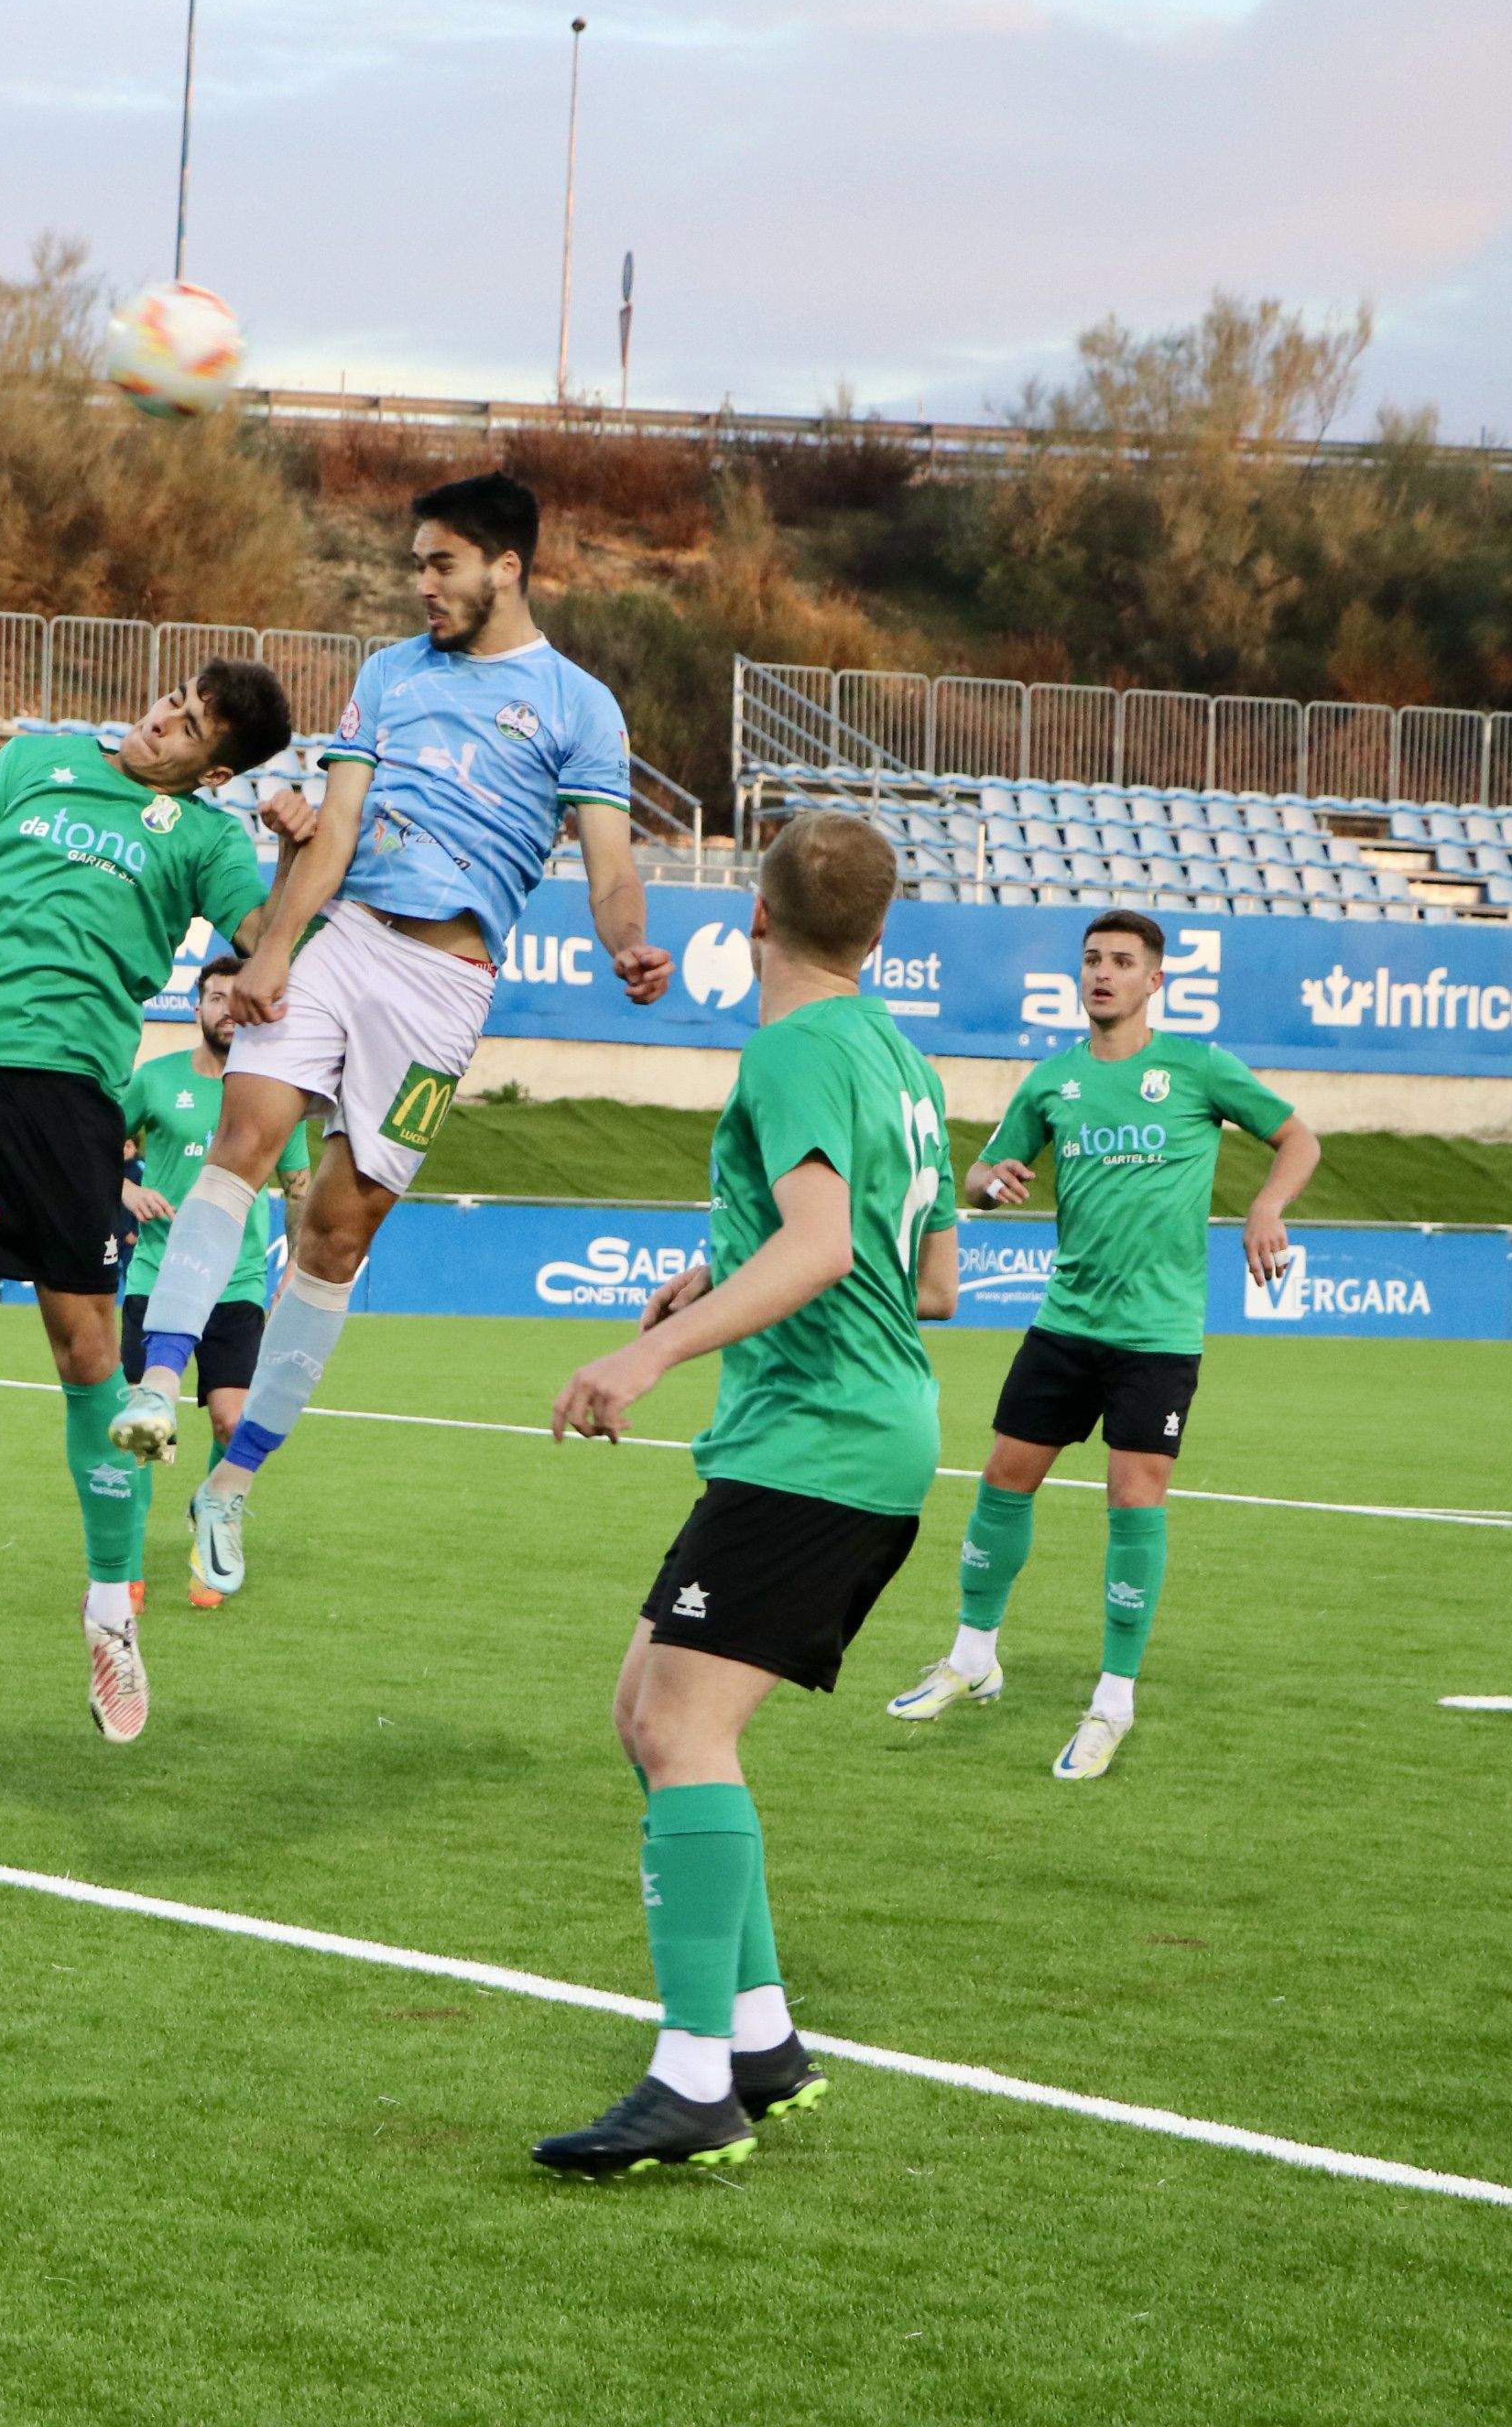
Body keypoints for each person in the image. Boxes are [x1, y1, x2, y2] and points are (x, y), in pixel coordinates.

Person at [113, 473, 673, 1564]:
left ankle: (231, 1486)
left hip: (445, 987)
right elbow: (337, 829)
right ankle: (156, 1382)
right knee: (242, 1142)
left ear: (507, 568)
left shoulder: (579, 705)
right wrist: (269, 954)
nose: (422, 584)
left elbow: (610, 867)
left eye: (440, 564)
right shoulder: (389, 675)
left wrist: (627, 943)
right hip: (349, 936)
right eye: (417, 563)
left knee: (334, 1235)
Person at [530, 811, 957, 2178]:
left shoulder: (790, 1049)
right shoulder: (900, 1058)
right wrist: (720, 1275)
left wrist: (652, 1349)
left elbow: (828, 1247)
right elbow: (929, 1282)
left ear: (750, 920)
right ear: (877, 938)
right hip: (841, 1433)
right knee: (645, 1713)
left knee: (682, 1728)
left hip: (817, 1445)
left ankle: (692, 2080)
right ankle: (760, 2043)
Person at [0, 661, 295, 1745]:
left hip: (74, 1092)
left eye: (191, 727)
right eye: (173, 697)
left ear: (217, 768)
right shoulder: (34, 755)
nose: (163, 717)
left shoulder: (208, 838)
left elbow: (271, 943)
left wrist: (294, 840)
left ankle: (109, 1616)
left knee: (90, 1351)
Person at [883, 909, 1322, 1780]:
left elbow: (1298, 1138)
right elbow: (978, 1170)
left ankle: (1112, 1700)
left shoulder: (1195, 1069)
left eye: (1123, 962)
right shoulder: (1053, 1082)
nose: (1104, 973)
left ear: (1155, 981)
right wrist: (989, 1178)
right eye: (1092, 960)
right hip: (1064, 1323)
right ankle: (973, 1658)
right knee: (1004, 1480)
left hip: (1156, 1337)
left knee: (1133, 1501)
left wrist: (1266, 1206)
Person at [118, 954, 311, 1605]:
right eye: (215, 997)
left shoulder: (273, 1091)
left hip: (239, 1285)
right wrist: (126, 1190)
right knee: (146, 1432)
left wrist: (301, 1265)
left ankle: (212, 1522)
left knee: (232, 1422)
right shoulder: (154, 1079)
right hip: (156, 1278)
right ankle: (126, 1561)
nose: (228, 1009)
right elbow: (96, 1152)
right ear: (196, 1006)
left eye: (237, 998)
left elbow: (300, 1185)